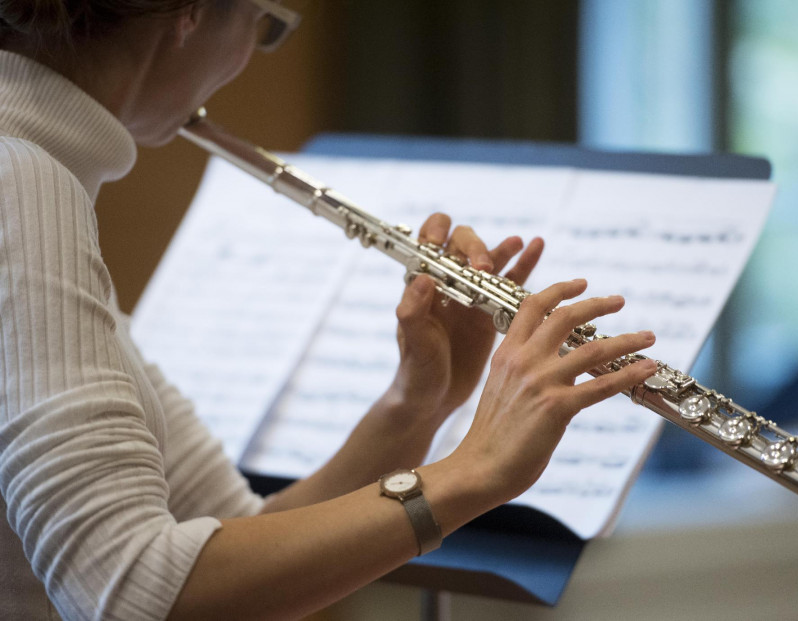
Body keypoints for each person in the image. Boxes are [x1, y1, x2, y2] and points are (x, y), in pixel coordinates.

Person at [0, 1, 658, 619]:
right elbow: (134, 591)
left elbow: (245, 537)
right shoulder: (21, 179)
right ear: (191, 12)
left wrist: (418, 405)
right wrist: (475, 471)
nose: (245, 59)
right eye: (266, 22)